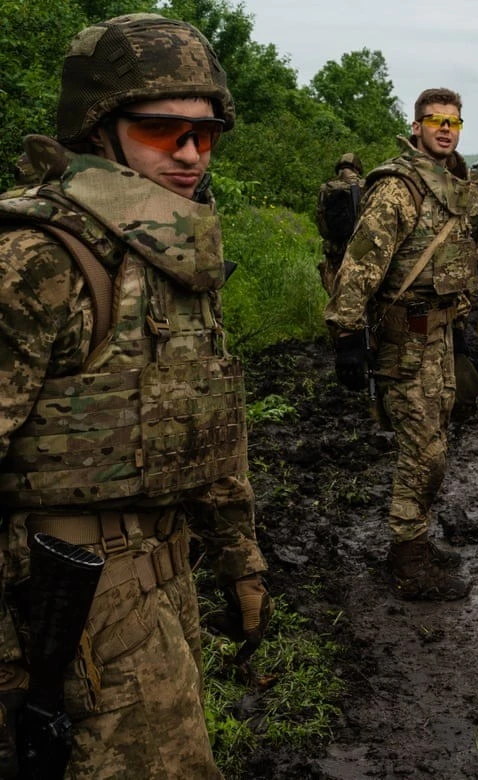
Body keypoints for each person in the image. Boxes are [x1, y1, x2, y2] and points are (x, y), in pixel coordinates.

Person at [0, 13, 271, 776]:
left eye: (206, 134)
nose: (190, 154)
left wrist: (238, 559)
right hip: (62, 603)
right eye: (162, 131)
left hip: (161, 577)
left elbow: (207, 418)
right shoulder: (37, 259)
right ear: (97, 130)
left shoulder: (166, 258)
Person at [325, 87, 478, 601]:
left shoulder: (451, 182)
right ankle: (406, 555)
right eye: (434, 120)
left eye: (453, 121)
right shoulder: (399, 187)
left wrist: (460, 326)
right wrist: (347, 337)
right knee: (425, 451)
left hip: (437, 336)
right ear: (416, 127)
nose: (444, 128)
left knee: (436, 443)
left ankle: (414, 536)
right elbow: (360, 267)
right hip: (404, 341)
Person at [315, 152, 365, 293]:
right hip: (357, 249)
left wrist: (330, 239)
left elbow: (320, 219)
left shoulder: (326, 188)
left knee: (335, 292)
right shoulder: (364, 185)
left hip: (334, 250)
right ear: (357, 168)